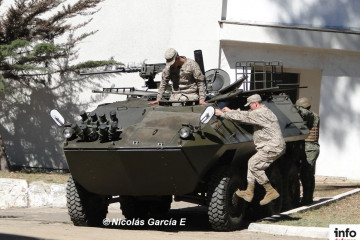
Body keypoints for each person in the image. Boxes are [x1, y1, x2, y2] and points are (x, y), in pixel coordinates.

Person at [215, 94, 286, 205]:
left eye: (250, 105)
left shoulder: (261, 113)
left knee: (253, 164)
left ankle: (270, 191)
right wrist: (231, 111)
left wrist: (223, 114)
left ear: (256, 103)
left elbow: (245, 117)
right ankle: (249, 191)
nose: (249, 107)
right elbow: (247, 114)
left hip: (272, 146)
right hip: (273, 146)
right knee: (252, 164)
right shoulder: (262, 111)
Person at [295, 97, 320, 205]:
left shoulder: (312, 116)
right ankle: (306, 198)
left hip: (310, 148)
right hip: (304, 147)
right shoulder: (304, 116)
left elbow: (305, 113)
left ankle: (307, 199)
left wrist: (295, 108)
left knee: (307, 174)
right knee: (304, 173)